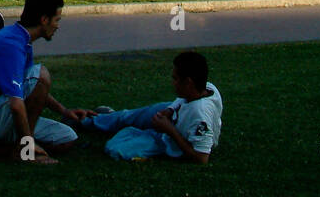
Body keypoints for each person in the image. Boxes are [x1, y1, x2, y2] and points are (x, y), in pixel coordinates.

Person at [0, 0, 93, 164]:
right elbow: (16, 104)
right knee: (41, 74)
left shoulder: (23, 40)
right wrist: (28, 143)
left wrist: (64, 111)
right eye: (57, 20)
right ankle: (24, 151)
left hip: (1, 116)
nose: (57, 26)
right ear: (44, 20)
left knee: (67, 138)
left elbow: (32, 88)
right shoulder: (10, 44)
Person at [81, 51, 222, 164]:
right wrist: (170, 110)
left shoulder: (200, 116)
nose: (172, 83)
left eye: (175, 79)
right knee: (130, 115)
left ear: (188, 82)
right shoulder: (207, 88)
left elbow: (201, 158)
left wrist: (169, 129)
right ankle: (87, 120)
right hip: (173, 115)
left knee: (114, 149)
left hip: (169, 137)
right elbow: (184, 99)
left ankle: (133, 131)